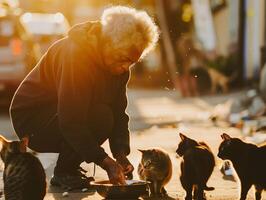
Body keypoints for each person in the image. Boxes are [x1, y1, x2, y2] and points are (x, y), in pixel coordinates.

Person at [9, 6, 159, 189]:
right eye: (124, 59)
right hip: (32, 119)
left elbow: (119, 113)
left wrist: (120, 153)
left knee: (106, 115)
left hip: (65, 113)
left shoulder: (119, 69)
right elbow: (71, 120)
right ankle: (64, 171)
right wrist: (105, 162)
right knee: (101, 116)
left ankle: (68, 167)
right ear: (109, 44)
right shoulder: (76, 57)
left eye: (133, 62)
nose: (126, 67)